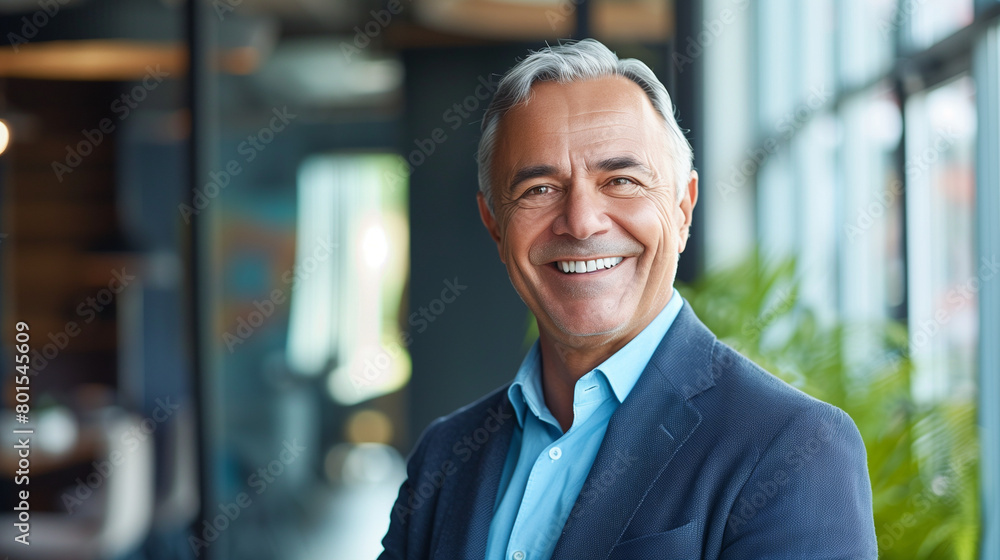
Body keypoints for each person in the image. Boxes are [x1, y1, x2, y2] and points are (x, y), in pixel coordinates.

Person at [379, 38, 877, 559]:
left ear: (683, 209)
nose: (581, 221)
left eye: (620, 180)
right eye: (540, 189)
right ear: (495, 226)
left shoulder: (796, 448)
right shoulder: (444, 456)